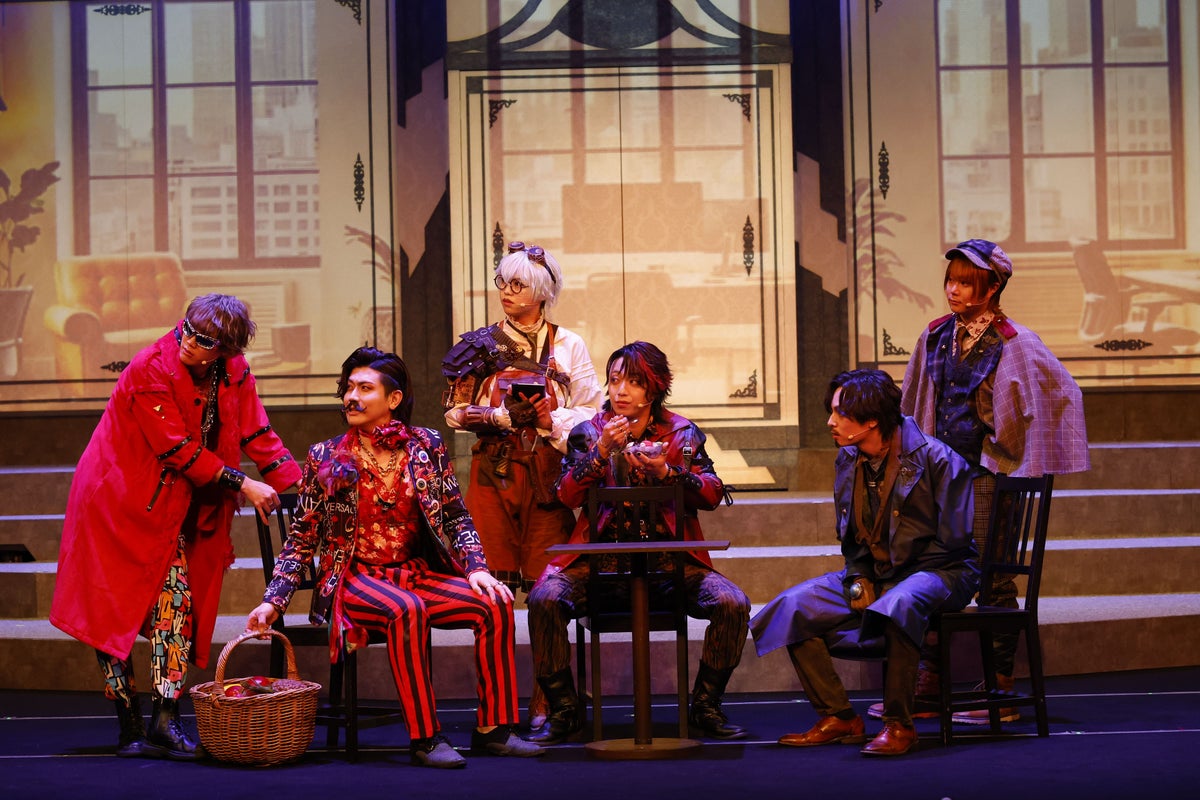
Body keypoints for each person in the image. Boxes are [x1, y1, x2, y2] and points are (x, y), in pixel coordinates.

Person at [246, 346, 543, 769]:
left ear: (394, 398)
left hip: (415, 573)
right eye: (349, 388)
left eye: (365, 388)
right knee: (408, 609)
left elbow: (456, 515)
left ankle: (494, 729)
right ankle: (425, 738)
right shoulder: (325, 456)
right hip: (355, 580)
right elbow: (301, 540)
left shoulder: (426, 446)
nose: (352, 397)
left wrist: (477, 568)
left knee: (493, 603)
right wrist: (273, 601)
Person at [49, 294, 303, 760]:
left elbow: (257, 433)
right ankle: (128, 723)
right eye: (187, 328)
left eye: (204, 339)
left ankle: (165, 719)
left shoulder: (234, 370)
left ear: (225, 348)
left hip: (171, 504)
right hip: (115, 500)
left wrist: (301, 489)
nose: (188, 340)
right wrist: (245, 483)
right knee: (109, 612)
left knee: (176, 604)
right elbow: (177, 449)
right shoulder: (149, 368)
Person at [898, 238, 1089, 724]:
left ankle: (1000, 686)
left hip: (987, 475)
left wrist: (1011, 445)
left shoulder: (1014, 341)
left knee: (991, 576)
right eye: (951, 280)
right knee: (929, 569)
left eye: (966, 283)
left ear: (992, 287)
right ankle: (929, 682)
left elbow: (1060, 390)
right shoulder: (935, 335)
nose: (954, 290)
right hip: (940, 475)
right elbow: (915, 399)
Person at [525, 341, 751, 744]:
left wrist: (669, 472)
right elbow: (565, 494)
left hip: (670, 566)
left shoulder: (682, 432)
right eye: (614, 380)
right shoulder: (588, 432)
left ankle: (705, 705)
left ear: (655, 387)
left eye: (633, 381)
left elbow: (713, 493)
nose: (620, 390)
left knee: (732, 603)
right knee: (544, 599)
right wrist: (600, 452)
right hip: (599, 567)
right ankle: (564, 709)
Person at [749, 369, 979, 757]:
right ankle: (838, 716)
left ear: (871, 420)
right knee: (794, 607)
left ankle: (899, 724)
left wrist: (892, 582)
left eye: (840, 413)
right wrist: (859, 577)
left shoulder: (939, 459)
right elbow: (852, 537)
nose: (830, 422)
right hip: (878, 572)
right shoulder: (849, 459)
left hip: (943, 571)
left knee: (900, 601)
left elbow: (953, 542)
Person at [441, 240, 602, 725]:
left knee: (547, 593)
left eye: (518, 284)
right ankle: (494, 702)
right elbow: (453, 412)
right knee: (490, 595)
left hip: (549, 479)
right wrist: (499, 416)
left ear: (542, 291)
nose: (507, 292)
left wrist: (552, 418)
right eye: (503, 283)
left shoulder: (569, 344)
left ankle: (547, 697)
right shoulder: (479, 345)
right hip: (493, 476)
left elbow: (592, 411)